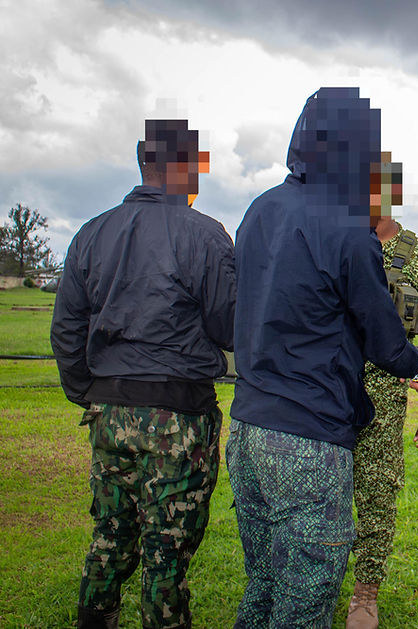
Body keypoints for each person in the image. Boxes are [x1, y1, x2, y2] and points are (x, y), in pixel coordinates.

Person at [226, 87, 418, 628]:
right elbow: (382, 332)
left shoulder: (260, 210)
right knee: (304, 601)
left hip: (248, 430)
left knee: (266, 585)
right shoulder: (348, 226)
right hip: (307, 441)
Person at [50, 119, 235, 629]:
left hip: (109, 411)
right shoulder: (204, 234)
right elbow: (229, 326)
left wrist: (89, 392)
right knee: (167, 550)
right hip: (178, 415)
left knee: (110, 532)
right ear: (186, 168)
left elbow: (67, 327)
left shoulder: (92, 231)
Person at [344, 216, 418, 629]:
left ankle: (365, 593)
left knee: (376, 494)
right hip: (331, 393)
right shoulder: (341, 244)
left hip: (386, 399)